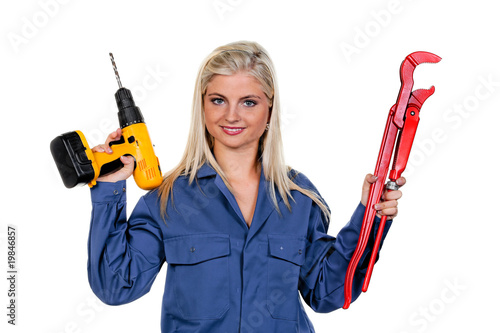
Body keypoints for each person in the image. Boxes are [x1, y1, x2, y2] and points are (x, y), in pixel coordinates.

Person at [87, 41, 405, 332]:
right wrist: (109, 189)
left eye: (249, 102)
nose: (232, 115)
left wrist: (370, 218)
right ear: (202, 107)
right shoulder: (170, 199)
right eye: (218, 100)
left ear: (270, 109)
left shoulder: (297, 196)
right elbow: (117, 287)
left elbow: (328, 292)